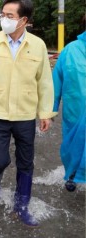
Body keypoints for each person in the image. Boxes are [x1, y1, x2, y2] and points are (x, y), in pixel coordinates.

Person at [0, 0, 55, 226]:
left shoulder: (37, 45)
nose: (4, 19)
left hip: (25, 115)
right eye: (3, 14)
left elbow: (45, 83)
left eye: (10, 15)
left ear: (23, 20)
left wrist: (45, 112)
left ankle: (22, 205)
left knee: (26, 162)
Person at [53, 30, 86, 192]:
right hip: (75, 109)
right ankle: (73, 173)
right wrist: (50, 109)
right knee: (73, 144)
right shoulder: (71, 50)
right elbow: (56, 80)